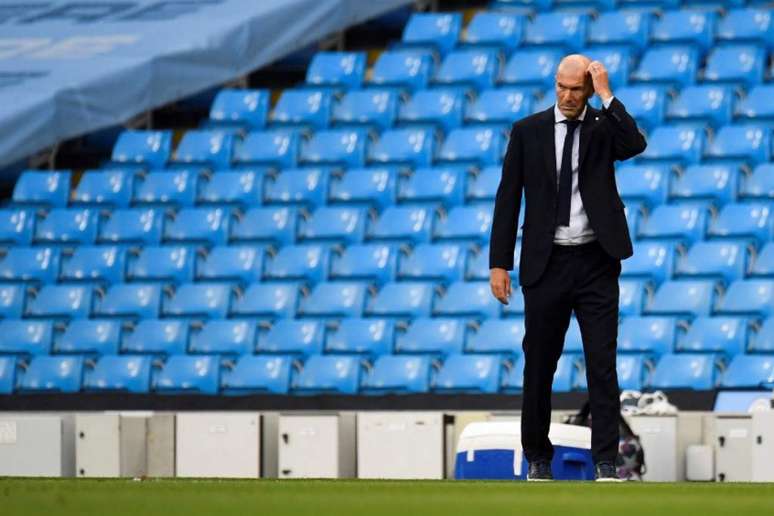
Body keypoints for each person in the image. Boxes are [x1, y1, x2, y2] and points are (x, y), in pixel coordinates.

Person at [488, 55, 647, 481]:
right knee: (538, 364)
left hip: (596, 261)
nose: (567, 95)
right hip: (546, 263)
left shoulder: (602, 127)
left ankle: (606, 461)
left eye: (577, 88)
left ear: (589, 90)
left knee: (602, 363)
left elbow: (635, 144)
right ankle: (538, 457)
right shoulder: (527, 132)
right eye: (561, 86)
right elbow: (507, 200)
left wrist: (609, 94)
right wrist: (499, 263)